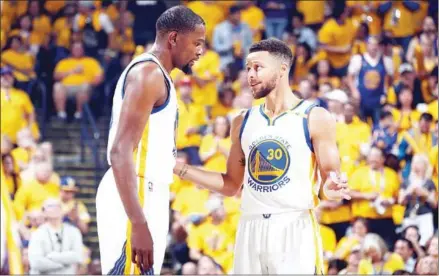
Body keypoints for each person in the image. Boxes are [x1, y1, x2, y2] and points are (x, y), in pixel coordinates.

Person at [173, 38, 350, 274]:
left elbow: (328, 184)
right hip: (250, 227)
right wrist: (177, 168)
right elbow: (230, 185)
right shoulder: (242, 121)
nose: (250, 75)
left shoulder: (314, 117)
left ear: (282, 70)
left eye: (258, 67)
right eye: (248, 68)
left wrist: (332, 190)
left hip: (293, 226)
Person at [95, 6, 205, 275]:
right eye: (197, 43)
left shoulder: (156, 74)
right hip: (137, 190)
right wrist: (138, 222)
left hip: (146, 190)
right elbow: (120, 151)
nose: (200, 51)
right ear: (174, 39)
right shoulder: (149, 74)